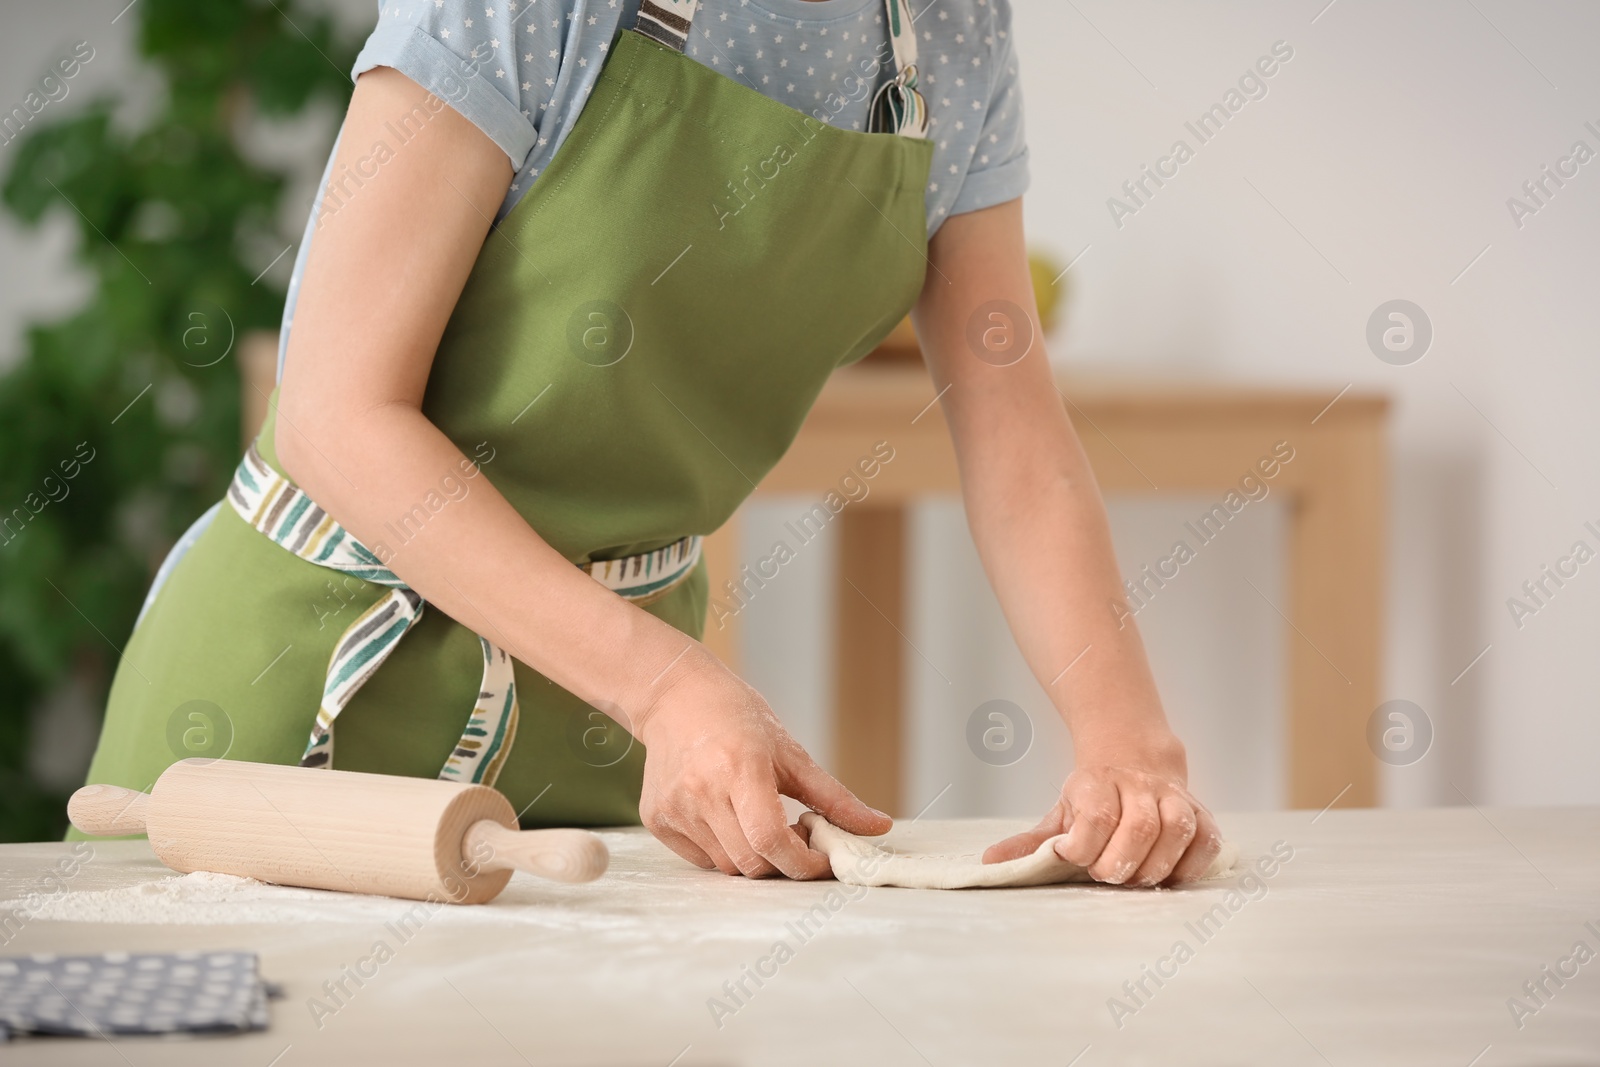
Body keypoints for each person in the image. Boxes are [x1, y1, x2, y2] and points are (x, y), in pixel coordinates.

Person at [81, 0, 1222, 886]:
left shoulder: (951, 33)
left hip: (598, 745)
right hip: (296, 709)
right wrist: (669, 688)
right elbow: (338, 413)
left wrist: (1126, 739)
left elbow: (1013, 437)